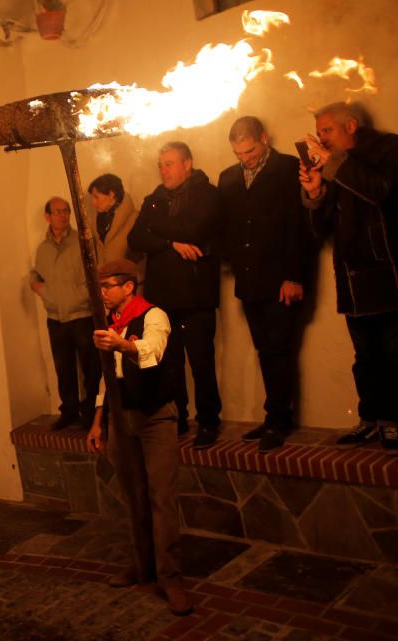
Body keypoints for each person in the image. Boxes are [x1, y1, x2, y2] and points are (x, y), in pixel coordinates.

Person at [300, 102, 398, 455]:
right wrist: (315, 193)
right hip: (353, 278)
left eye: (327, 130)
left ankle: (392, 423)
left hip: (393, 275)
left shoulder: (391, 148)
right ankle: (369, 419)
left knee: (396, 353)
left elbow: (384, 191)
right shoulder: (335, 165)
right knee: (365, 356)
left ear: (351, 125)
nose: (320, 139)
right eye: (319, 131)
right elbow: (320, 230)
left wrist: (334, 166)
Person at [86, 259, 190, 617]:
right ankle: (142, 565)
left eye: (108, 286)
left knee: (162, 497)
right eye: (99, 287)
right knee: (133, 496)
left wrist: (124, 346)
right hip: (121, 417)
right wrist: (99, 420)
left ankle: (170, 577)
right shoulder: (110, 324)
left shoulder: (153, 315)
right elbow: (107, 377)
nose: (102, 293)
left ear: (128, 287)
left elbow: (153, 351)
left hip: (156, 417)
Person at [219, 116, 308, 453]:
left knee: (279, 351)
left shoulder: (288, 168)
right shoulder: (228, 177)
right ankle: (273, 417)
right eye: (239, 153)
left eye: (250, 150)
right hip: (249, 280)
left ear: (264, 138)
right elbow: (229, 225)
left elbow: (298, 226)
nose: (246, 158)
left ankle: (280, 421)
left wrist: (294, 275)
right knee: (265, 351)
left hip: (281, 279)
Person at [128, 142, 223, 448]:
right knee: (169, 365)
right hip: (163, 299)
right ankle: (178, 418)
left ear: (187, 164)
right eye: (160, 164)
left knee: (201, 363)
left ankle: (209, 422)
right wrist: (171, 244)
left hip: (196, 296)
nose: (163, 170)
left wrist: (160, 232)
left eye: (169, 163)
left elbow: (192, 229)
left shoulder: (207, 194)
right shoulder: (155, 199)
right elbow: (136, 237)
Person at [30, 196, 101, 430]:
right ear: (47, 217)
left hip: (82, 315)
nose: (62, 215)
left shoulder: (82, 241)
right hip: (56, 319)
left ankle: (91, 413)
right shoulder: (43, 249)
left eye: (66, 211)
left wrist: (78, 297)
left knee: (91, 368)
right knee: (64, 368)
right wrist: (39, 288)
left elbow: (94, 275)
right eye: (57, 212)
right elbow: (37, 275)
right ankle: (69, 410)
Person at [88, 173, 143, 280]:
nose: (93, 202)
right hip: (104, 284)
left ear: (111, 194)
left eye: (96, 197)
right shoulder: (95, 220)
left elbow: (139, 258)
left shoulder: (135, 218)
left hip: (127, 284)